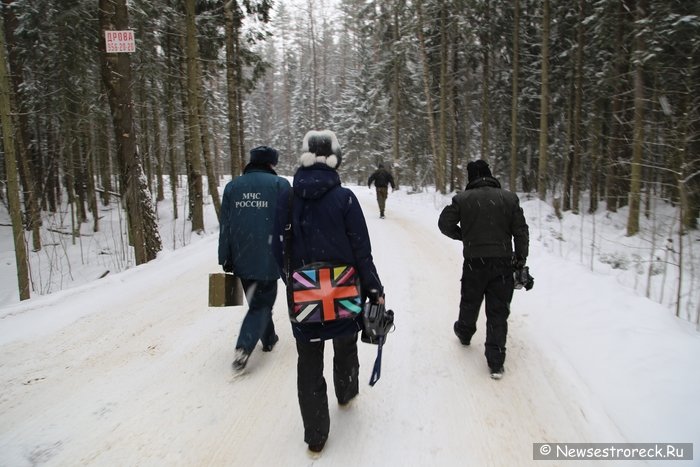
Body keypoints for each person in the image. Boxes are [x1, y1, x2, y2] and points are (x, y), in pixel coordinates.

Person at [272, 130, 385, 454]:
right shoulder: (345, 198)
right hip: (344, 292)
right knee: (345, 343)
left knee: (308, 360)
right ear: (334, 159)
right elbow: (362, 251)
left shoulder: (288, 198)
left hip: (303, 298)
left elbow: (278, 249)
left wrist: (293, 281)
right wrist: (374, 288)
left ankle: (316, 436)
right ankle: (346, 393)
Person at [437, 159, 529, 380]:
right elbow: (521, 231)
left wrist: (465, 237)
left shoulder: (463, 199)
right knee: (498, 311)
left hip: (474, 262)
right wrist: (520, 258)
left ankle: (465, 333)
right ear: (489, 174)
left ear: (471, 178)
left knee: (470, 300)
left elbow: (444, 224)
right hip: (503, 263)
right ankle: (496, 362)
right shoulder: (509, 199)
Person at [218, 146, 291, 373]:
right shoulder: (280, 185)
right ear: (272, 164)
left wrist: (225, 257)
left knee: (257, 300)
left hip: (241, 255)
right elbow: (290, 225)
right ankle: (243, 347)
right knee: (262, 302)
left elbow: (226, 227)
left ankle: (269, 339)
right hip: (270, 255)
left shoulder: (232, 187)